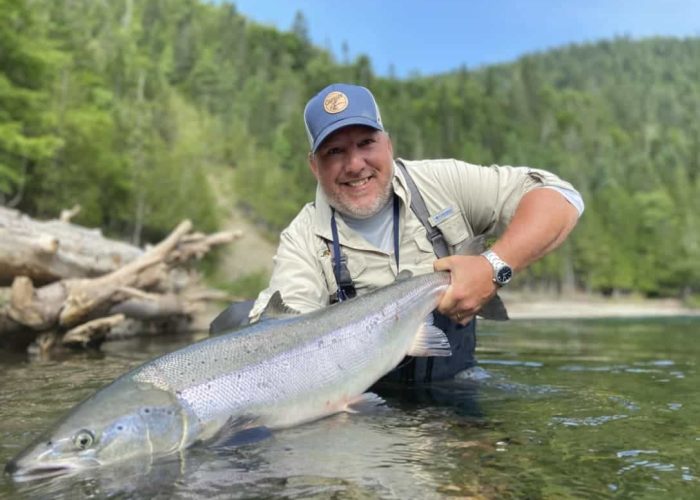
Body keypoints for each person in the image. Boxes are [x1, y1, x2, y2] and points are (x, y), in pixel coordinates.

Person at [244, 83, 583, 383]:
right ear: (314, 166)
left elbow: (561, 197)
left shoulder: (442, 182)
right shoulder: (301, 239)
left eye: (366, 143)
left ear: (388, 145)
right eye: (335, 151)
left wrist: (493, 267)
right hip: (365, 406)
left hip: (457, 386)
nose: (355, 164)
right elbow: (286, 344)